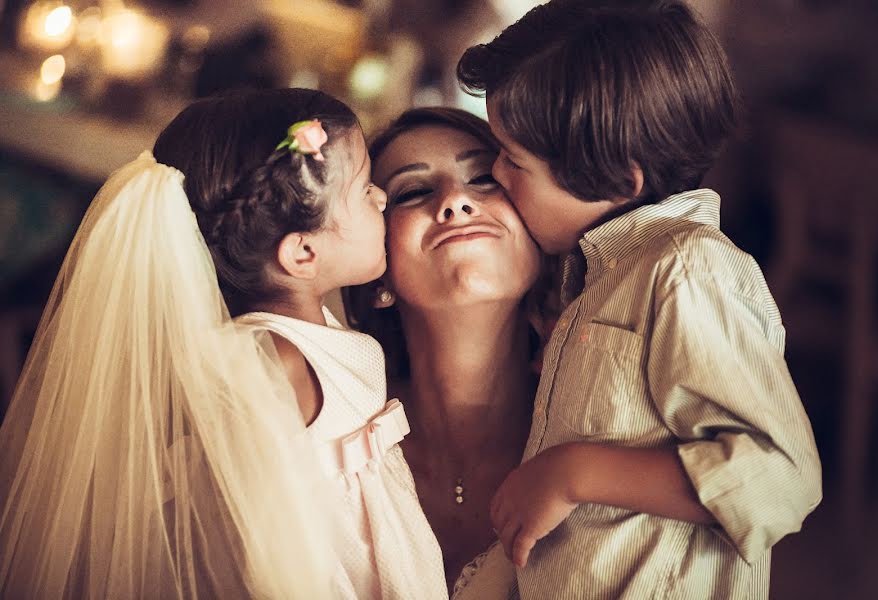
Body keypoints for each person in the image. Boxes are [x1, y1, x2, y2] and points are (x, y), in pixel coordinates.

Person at [0, 89, 446, 599]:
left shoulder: (310, 329)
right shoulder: (268, 361)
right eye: (365, 188)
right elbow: (231, 518)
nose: (382, 197)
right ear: (303, 252)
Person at [456, 1, 823, 598]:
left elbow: (779, 480)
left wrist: (575, 473)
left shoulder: (688, 270)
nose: (496, 174)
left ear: (617, 181)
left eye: (514, 161)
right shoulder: (597, 274)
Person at [344, 107, 553, 595]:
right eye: (413, 192)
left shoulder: (601, 433)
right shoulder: (332, 437)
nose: (456, 201)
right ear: (376, 266)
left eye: (483, 179)